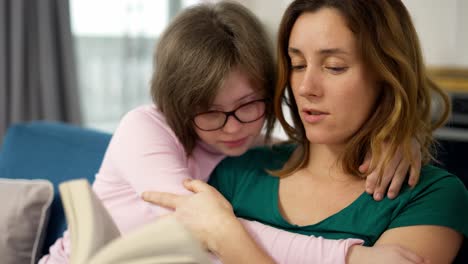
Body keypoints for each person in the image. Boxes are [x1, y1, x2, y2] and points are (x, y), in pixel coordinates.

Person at [40, 1, 424, 264]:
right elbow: (213, 229)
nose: (234, 127)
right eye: (210, 112)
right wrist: (349, 255)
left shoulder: (249, 146)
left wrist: (396, 136)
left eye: (248, 105)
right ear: (179, 105)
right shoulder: (146, 129)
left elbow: (315, 147)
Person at [142, 0, 468, 263]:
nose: (306, 87)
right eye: (297, 65)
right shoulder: (237, 171)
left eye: (334, 66)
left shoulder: (432, 197)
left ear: (388, 74)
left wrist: (226, 235)